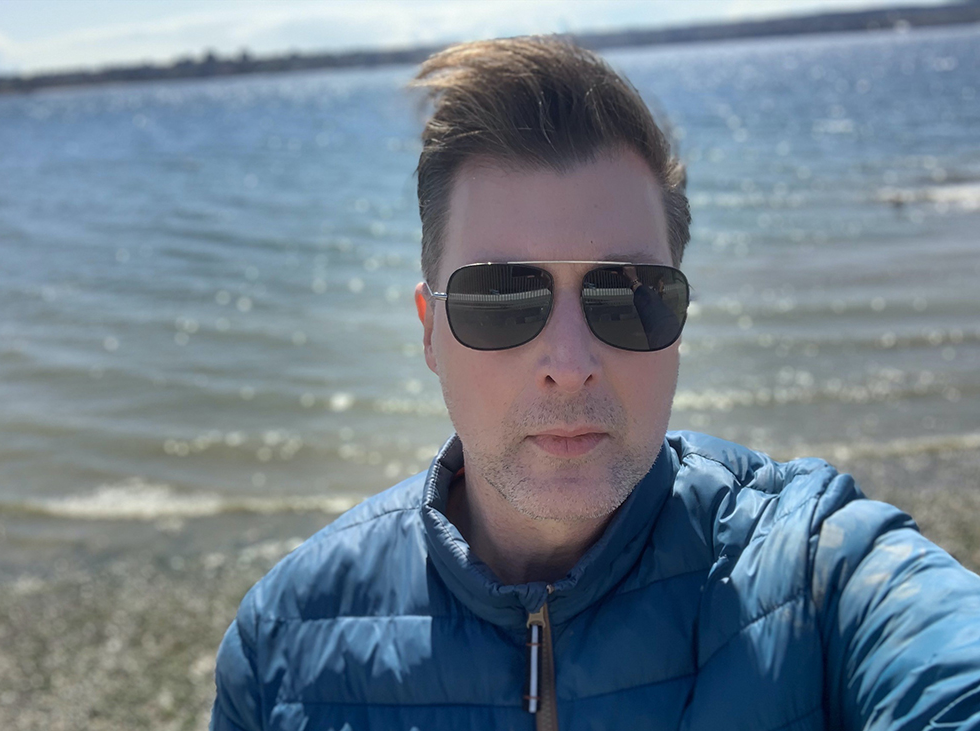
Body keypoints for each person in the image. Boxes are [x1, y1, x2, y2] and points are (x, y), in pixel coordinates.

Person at [210, 37, 980, 731]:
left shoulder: (815, 568)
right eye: (504, 298)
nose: (570, 359)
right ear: (429, 330)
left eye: (627, 295)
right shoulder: (284, 643)